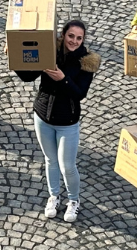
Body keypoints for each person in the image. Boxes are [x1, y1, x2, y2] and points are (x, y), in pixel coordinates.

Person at [16, 20, 101, 223]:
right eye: (71, 36)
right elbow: (28, 76)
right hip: (43, 116)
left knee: (68, 166)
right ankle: (54, 196)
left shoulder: (86, 62)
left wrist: (62, 78)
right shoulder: (49, 52)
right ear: (63, 35)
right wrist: (14, 57)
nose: (74, 41)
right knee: (50, 160)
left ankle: (73, 200)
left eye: (79, 38)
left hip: (67, 122)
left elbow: (80, 94)